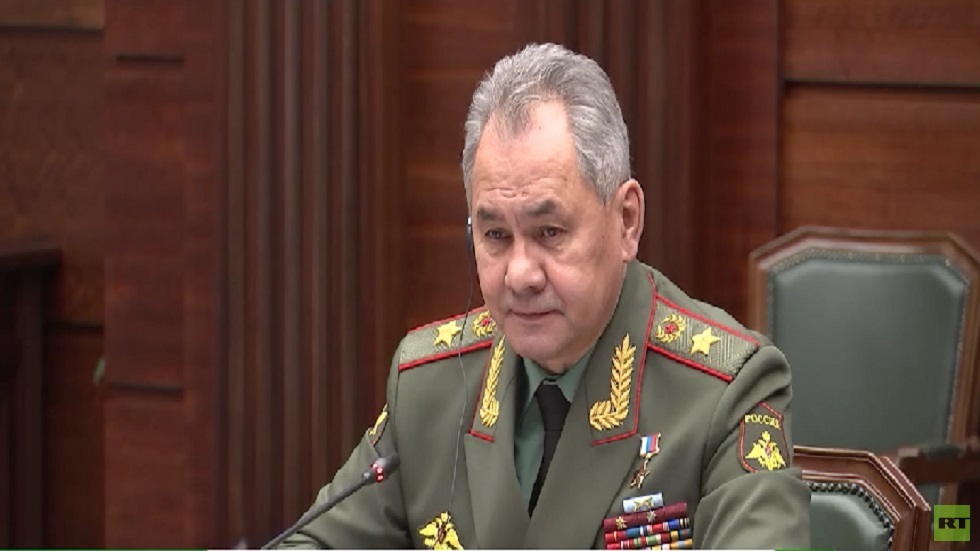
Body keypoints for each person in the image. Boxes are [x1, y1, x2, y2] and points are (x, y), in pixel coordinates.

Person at [280, 43, 810, 549]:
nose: (520, 274)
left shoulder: (725, 393)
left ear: (626, 221)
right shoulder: (430, 386)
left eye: (549, 232)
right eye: (495, 235)